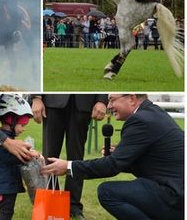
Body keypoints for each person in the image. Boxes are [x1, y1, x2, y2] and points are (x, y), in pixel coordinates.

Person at [41, 94, 184, 220]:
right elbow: (151, 162)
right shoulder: (153, 113)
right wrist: (121, 155)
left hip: (175, 197)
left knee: (107, 192)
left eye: (112, 100)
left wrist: (68, 166)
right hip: (179, 192)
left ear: (132, 99)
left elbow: (111, 167)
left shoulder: (140, 120)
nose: (109, 106)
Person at [31, 94, 107, 220]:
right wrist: (36, 98)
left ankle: (73, 206)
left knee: (76, 157)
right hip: (52, 102)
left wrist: (102, 100)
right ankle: (49, 201)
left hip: (84, 104)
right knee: (49, 156)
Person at [0, 95, 39, 220]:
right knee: (6, 213)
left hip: (5, 184)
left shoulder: (4, 139)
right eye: (22, 125)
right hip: (4, 186)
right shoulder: (1, 141)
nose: (24, 128)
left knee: (8, 212)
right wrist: (29, 156)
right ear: (11, 121)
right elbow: (10, 158)